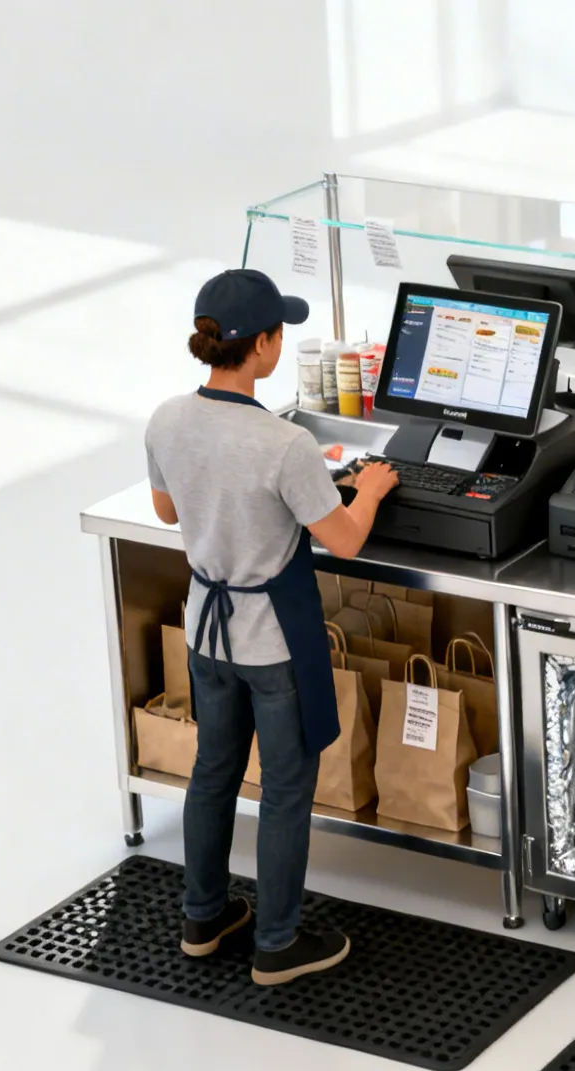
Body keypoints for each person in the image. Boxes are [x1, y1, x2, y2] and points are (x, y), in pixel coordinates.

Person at [145, 269, 399, 986]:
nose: (281, 341)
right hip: (272, 641)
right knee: (285, 789)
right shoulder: (283, 444)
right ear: (262, 345)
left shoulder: (166, 417)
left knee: (213, 773)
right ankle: (279, 944)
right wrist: (370, 489)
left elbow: (169, 513)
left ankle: (203, 918)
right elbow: (344, 540)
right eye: (279, 331)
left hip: (206, 632)